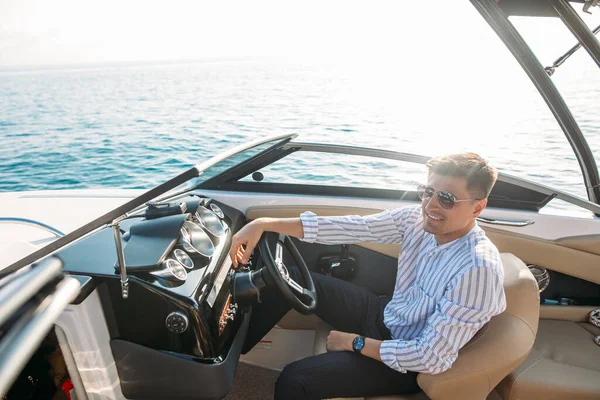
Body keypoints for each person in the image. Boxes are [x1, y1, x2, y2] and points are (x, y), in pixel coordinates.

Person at [228, 152, 507, 400]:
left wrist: (355, 343)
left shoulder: (477, 269)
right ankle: (225, 360)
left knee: (296, 380)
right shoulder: (416, 220)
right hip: (388, 314)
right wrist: (264, 224)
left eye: (446, 199)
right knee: (288, 279)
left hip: (405, 359)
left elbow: (430, 357)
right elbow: (352, 228)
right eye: (426, 191)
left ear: (477, 207)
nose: (430, 205)